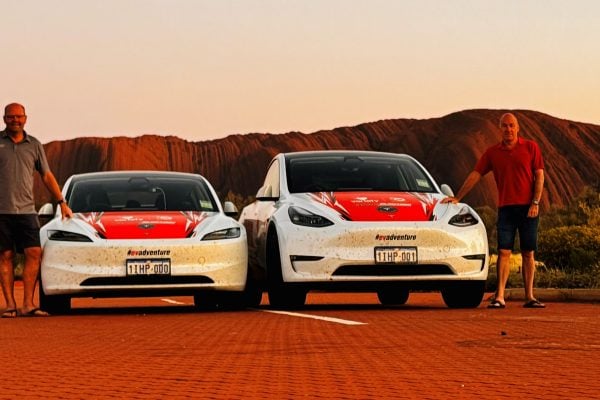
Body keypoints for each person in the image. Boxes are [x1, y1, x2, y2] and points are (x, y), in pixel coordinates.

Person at [442, 112, 545, 309]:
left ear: (518, 128)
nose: (508, 129)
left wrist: (536, 202)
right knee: (504, 252)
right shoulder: (492, 153)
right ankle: (499, 297)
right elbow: (476, 174)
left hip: (528, 208)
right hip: (506, 208)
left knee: (528, 253)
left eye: (511, 125)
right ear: (500, 129)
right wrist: (458, 197)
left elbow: (539, 175)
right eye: (504, 126)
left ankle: (530, 297)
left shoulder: (531, 147)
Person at [0, 103, 73, 317]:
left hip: (27, 210)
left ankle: (28, 304)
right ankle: (10, 305)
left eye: (19, 116)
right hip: (1, 211)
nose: (15, 120)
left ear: (25, 118)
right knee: (5, 256)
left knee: (34, 253)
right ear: (4, 119)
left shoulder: (34, 145)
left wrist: (62, 202)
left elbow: (46, 175)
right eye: (11, 117)